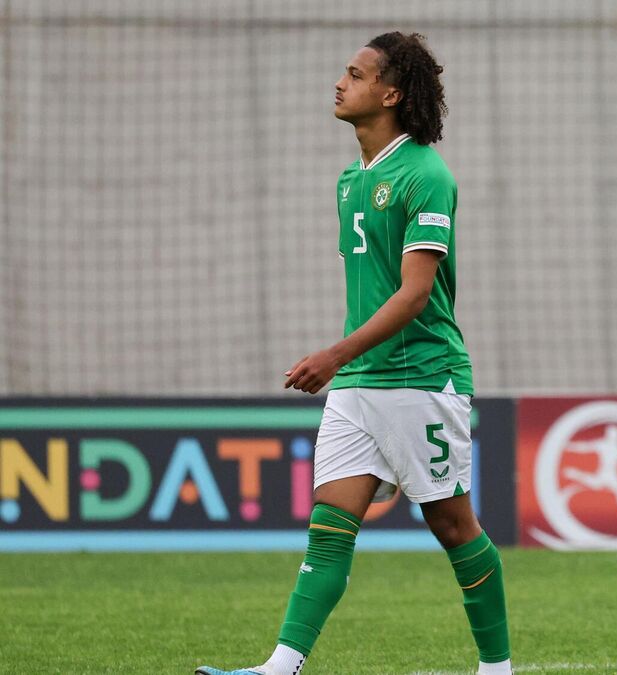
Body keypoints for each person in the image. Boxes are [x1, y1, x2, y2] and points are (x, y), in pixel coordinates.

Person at [196, 32, 511, 675]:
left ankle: (496, 669)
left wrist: (334, 354)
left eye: (356, 74)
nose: (340, 83)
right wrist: (346, 364)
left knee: (454, 528)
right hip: (359, 384)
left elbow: (415, 295)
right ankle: (280, 666)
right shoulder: (350, 180)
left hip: (422, 378)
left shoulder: (425, 175)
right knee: (330, 526)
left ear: (390, 94)